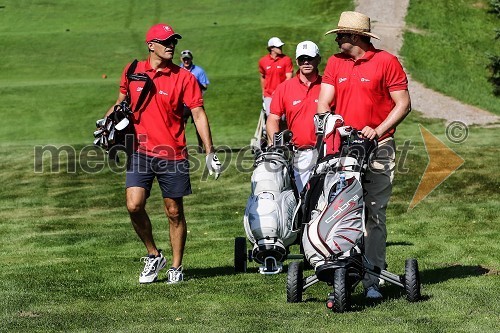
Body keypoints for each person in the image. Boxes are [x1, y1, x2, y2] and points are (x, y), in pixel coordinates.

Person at [101, 23, 221, 285]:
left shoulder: (184, 78)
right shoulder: (132, 71)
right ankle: (154, 254)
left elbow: (199, 114)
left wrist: (209, 151)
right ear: (150, 45)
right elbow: (121, 102)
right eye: (166, 41)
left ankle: (176, 267)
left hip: (172, 153)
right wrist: (106, 121)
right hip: (139, 151)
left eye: (174, 41)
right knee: (134, 205)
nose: (171, 46)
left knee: (174, 211)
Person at [316, 11, 411, 299]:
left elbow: (403, 104)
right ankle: (341, 271)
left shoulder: (386, 62)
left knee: (373, 213)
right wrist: (329, 121)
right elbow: (323, 101)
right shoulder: (335, 62)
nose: (338, 40)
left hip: (379, 146)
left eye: (341, 35)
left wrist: (378, 129)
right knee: (338, 209)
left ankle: (372, 279)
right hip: (343, 148)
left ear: (356, 37)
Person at [266, 41, 323, 193]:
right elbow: (273, 118)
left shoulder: (327, 86)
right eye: (302, 58)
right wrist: (275, 146)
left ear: (318, 59)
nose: (306, 62)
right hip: (299, 153)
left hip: (325, 153)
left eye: (310, 58)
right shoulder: (285, 87)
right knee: (300, 200)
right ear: (297, 61)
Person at [179, 49, 210, 153]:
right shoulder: (177, 70)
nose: (186, 61)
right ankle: (181, 147)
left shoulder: (198, 71)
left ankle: (201, 147)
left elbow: (205, 86)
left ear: (191, 58)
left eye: (188, 59)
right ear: (181, 59)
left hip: (196, 102)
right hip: (182, 103)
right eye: (184, 59)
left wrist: (194, 82)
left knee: (200, 125)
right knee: (180, 126)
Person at [258, 37, 294, 116]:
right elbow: (262, 77)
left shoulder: (286, 60)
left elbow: (289, 78)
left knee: (283, 117)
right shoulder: (263, 61)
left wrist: (279, 90)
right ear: (271, 48)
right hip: (269, 95)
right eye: (278, 47)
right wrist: (263, 92)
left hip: (283, 94)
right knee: (270, 116)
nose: (281, 48)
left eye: (281, 46)